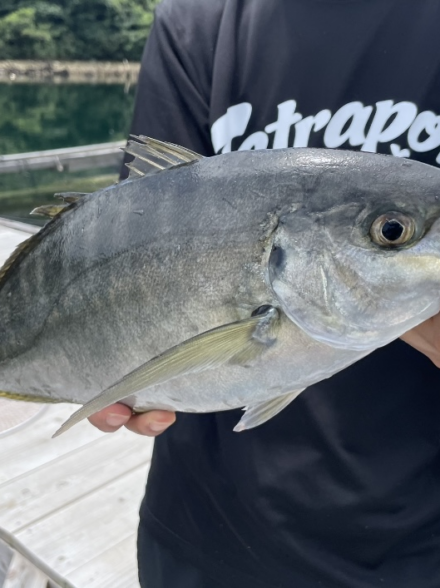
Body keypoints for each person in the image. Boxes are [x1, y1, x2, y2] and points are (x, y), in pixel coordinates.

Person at [90, 1, 440, 586]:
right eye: (391, 232)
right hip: (199, 533)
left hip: (412, 548)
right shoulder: (198, 18)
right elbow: (136, 228)